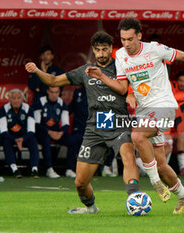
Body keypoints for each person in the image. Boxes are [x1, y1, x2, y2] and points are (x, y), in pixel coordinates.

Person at [85, 18, 184, 214]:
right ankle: (183, 195)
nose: (127, 44)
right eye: (123, 39)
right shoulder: (119, 55)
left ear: (139, 35)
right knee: (162, 166)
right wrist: (103, 77)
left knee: (137, 136)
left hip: (164, 106)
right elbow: (122, 86)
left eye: (130, 39)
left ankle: (154, 183)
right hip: (145, 111)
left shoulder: (155, 49)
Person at [25, 31, 140, 214]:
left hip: (118, 121)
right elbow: (54, 80)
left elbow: (137, 86)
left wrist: (132, 95)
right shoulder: (85, 71)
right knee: (80, 182)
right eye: (98, 50)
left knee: (128, 155)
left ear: (111, 48)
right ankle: (91, 208)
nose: (102, 54)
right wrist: (38, 71)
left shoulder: (123, 67)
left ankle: (135, 198)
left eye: (105, 49)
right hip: (94, 127)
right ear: (93, 51)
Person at [33, 86, 77, 178]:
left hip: (57, 133)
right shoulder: (40, 102)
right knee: (46, 139)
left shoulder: (61, 102)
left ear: (59, 93)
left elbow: (65, 123)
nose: (54, 95)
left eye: (56, 92)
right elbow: (36, 123)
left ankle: (69, 169)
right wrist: (49, 132)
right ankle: (49, 169)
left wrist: (61, 133)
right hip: (42, 132)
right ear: (47, 92)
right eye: (52, 92)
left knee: (72, 140)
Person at [0, 89, 40, 178]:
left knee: (33, 140)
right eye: (13, 98)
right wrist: (15, 140)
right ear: (9, 99)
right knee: (5, 141)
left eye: (18, 98)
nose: (16, 100)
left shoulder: (28, 109)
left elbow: (31, 130)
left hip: (25, 137)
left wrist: (22, 139)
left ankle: (34, 169)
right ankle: (14, 169)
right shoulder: (3, 109)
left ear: (22, 99)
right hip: (10, 137)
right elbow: (3, 131)